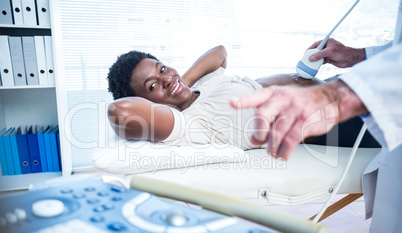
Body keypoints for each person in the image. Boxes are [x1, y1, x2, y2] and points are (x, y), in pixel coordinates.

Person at [231, 1, 402, 233]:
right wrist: (358, 57)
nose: (167, 80)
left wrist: (343, 95)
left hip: (370, 101)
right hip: (359, 91)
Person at [107, 45, 322, 150]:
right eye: (152, 85)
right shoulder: (189, 124)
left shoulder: (200, 86)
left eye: (162, 68)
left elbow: (220, 53)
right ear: (147, 102)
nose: (166, 79)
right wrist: (171, 96)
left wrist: (181, 82)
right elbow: (121, 111)